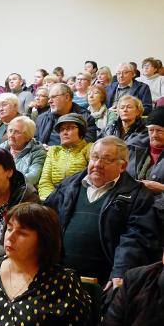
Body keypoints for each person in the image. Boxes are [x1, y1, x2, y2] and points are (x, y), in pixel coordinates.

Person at [45, 136, 161, 288]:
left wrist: (121, 270)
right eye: (95, 157)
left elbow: (137, 237)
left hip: (105, 284)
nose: (98, 164)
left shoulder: (138, 195)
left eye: (107, 159)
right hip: (58, 277)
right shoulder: (69, 185)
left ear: (122, 166)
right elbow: (45, 218)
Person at [38, 113, 91, 199]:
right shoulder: (54, 151)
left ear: (81, 131)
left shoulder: (90, 148)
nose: (64, 132)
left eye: (69, 128)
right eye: (61, 130)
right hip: (54, 199)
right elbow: (45, 181)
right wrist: (50, 200)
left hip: (79, 198)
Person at [100, 95, 149, 177]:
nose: (125, 110)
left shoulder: (145, 132)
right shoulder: (108, 129)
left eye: (129, 107)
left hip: (130, 172)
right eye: (122, 107)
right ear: (118, 111)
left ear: (138, 111)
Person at [1, 116, 47, 186]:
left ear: (28, 137)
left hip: (20, 190)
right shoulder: (1, 148)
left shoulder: (38, 153)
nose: (11, 135)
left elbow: (33, 177)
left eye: (17, 132)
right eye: (10, 131)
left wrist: (4, 182)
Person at [136, 106, 164, 195]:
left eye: (159, 130)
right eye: (151, 130)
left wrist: (161, 188)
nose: (154, 135)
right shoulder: (134, 148)